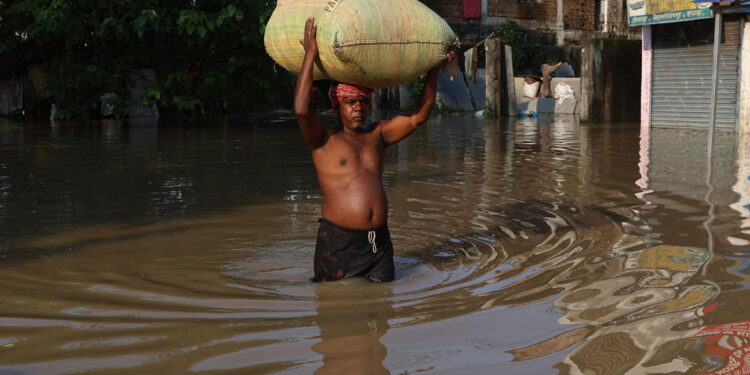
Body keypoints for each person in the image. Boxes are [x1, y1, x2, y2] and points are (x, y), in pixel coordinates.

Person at [294, 17, 456, 283]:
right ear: (337, 106)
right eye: (350, 102)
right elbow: (301, 110)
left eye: (362, 101)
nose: (358, 107)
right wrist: (310, 54)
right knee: (336, 315)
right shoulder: (324, 139)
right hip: (339, 244)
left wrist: (433, 72)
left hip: (379, 245)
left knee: (381, 315)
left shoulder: (377, 135)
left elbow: (419, 118)